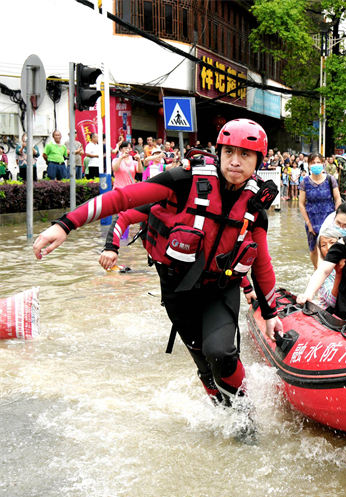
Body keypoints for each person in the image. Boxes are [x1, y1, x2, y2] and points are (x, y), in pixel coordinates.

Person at [32, 119, 283, 410]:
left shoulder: (255, 208)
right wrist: (65, 224)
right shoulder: (183, 181)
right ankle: (222, 415)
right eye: (229, 152)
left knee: (221, 354)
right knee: (204, 364)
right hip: (178, 289)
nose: (235, 161)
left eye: (245, 155)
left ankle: (244, 416)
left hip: (219, 288)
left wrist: (270, 312)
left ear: (258, 161)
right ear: (219, 152)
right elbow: (123, 200)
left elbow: (262, 264)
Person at [299, 152, 342, 268]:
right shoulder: (305, 182)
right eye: (313, 163)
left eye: (318, 162)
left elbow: (338, 199)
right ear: (308, 165)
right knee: (313, 249)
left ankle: (331, 272)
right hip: (312, 221)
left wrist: (336, 219)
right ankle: (317, 270)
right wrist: (309, 223)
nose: (316, 165)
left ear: (323, 164)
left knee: (330, 248)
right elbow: (301, 204)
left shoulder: (330, 179)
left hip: (329, 220)